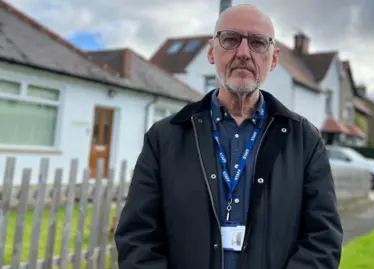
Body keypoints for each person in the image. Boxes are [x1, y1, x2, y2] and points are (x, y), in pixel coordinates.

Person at [114, 4, 343, 269]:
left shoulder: (304, 140)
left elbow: (323, 240)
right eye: (231, 39)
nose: (243, 53)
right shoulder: (165, 137)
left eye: (257, 43)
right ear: (212, 51)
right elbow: (137, 239)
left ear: (274, 58)